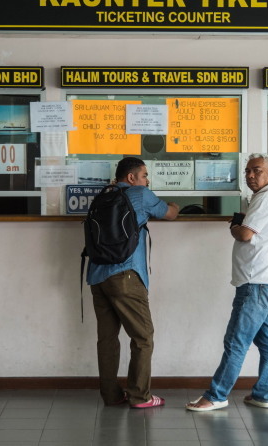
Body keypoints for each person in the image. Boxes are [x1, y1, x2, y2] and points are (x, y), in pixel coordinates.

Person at [186, 153, 268, 412]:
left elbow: (244, 234)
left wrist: (234, 224)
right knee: (267, 342)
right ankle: (264, 394)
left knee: (236, 341)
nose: (250, 175)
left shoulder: (267, 199)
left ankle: (217, 395)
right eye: (247, 171)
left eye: (257, 171)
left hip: (257, 284)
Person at [87, 156, 180, 408]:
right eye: (144, 175)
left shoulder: (102, 196)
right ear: (131, 178)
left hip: (97, 276)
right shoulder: (140, 194)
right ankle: (140, 396)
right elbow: (169, 213)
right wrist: (175, 204)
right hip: (126, 276)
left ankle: (112, 395)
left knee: (107, 339)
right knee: (143, 337)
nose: (147, 180)